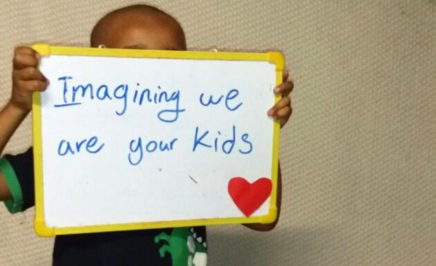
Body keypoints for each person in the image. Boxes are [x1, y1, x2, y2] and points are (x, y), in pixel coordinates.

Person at [0, 4, 293, 266]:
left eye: (171, 59)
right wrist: (17, 106)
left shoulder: (200, 149)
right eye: (135, 57)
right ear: (89, 67)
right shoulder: (68, 153)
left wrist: (260, 128)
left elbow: (262, 219)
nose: (155, 73)